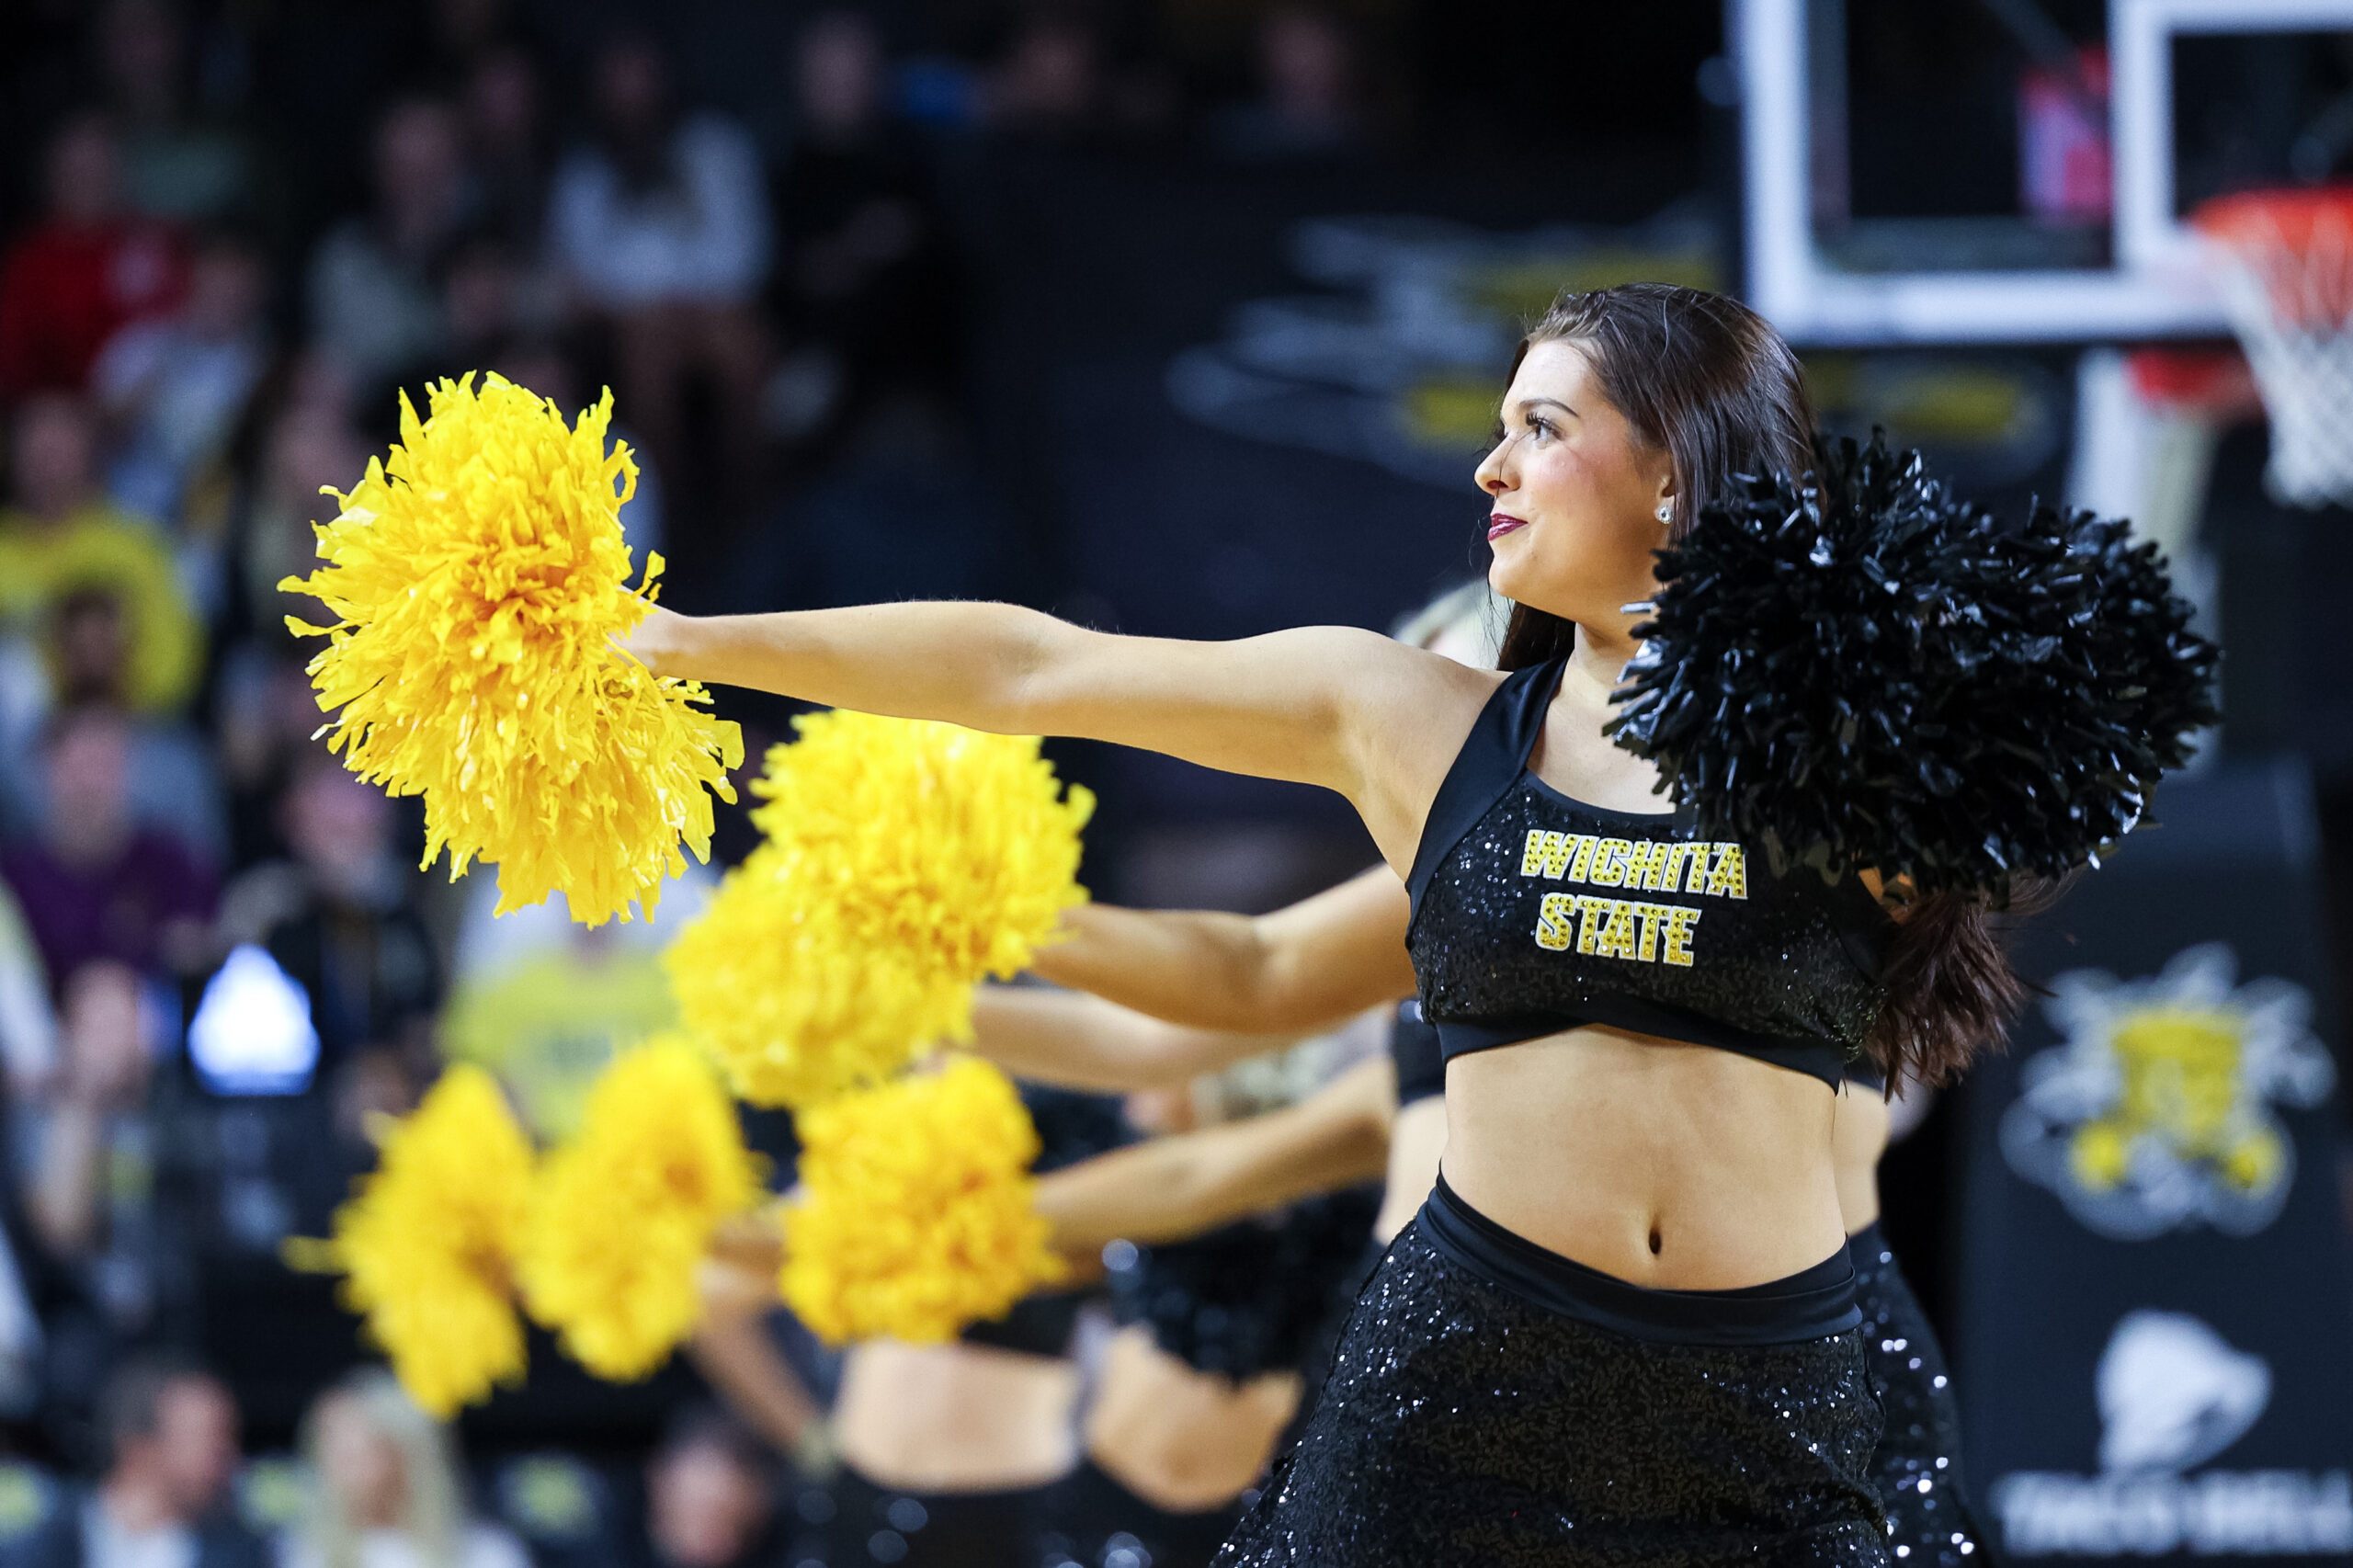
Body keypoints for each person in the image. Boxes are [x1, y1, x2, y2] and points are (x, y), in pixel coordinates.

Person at [625, 282, 2040, 1561]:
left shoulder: (1850, 756)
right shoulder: (1417, 723)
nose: (1489, 467)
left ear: (1673, 473)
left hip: (1768, 1390)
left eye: (1541, 428)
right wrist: (689, 644)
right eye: (1498, 427)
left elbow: (2059, 778)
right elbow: (1033, 670)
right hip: (1467, 1373)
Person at [12, 1355, 267, 1568]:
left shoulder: (244, 1554)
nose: (229, 1458)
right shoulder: (39, 1546)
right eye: (211, 1438)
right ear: (138, 1446)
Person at [279, 1371, 528, 1568]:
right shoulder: (301, 1554)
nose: (335, 1471)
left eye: (356, 1454)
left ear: (408, 1455)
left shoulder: (486, 1554)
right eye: (325, 1451)